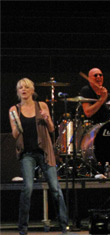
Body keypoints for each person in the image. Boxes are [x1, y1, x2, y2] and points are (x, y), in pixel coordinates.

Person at [9, 78, 68, 235]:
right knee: (27, 188)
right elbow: (15, 135)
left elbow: (51, 128)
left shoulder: (41, 105)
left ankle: (64, 225)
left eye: (27, 87)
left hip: (44, 152)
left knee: (55, 188)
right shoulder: (14, 109)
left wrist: (47, 118)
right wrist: (17, 124)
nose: (24, 90)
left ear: (32, 90)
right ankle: (23, 228)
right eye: (21, 87)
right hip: (27, 153)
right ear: (18, 91)